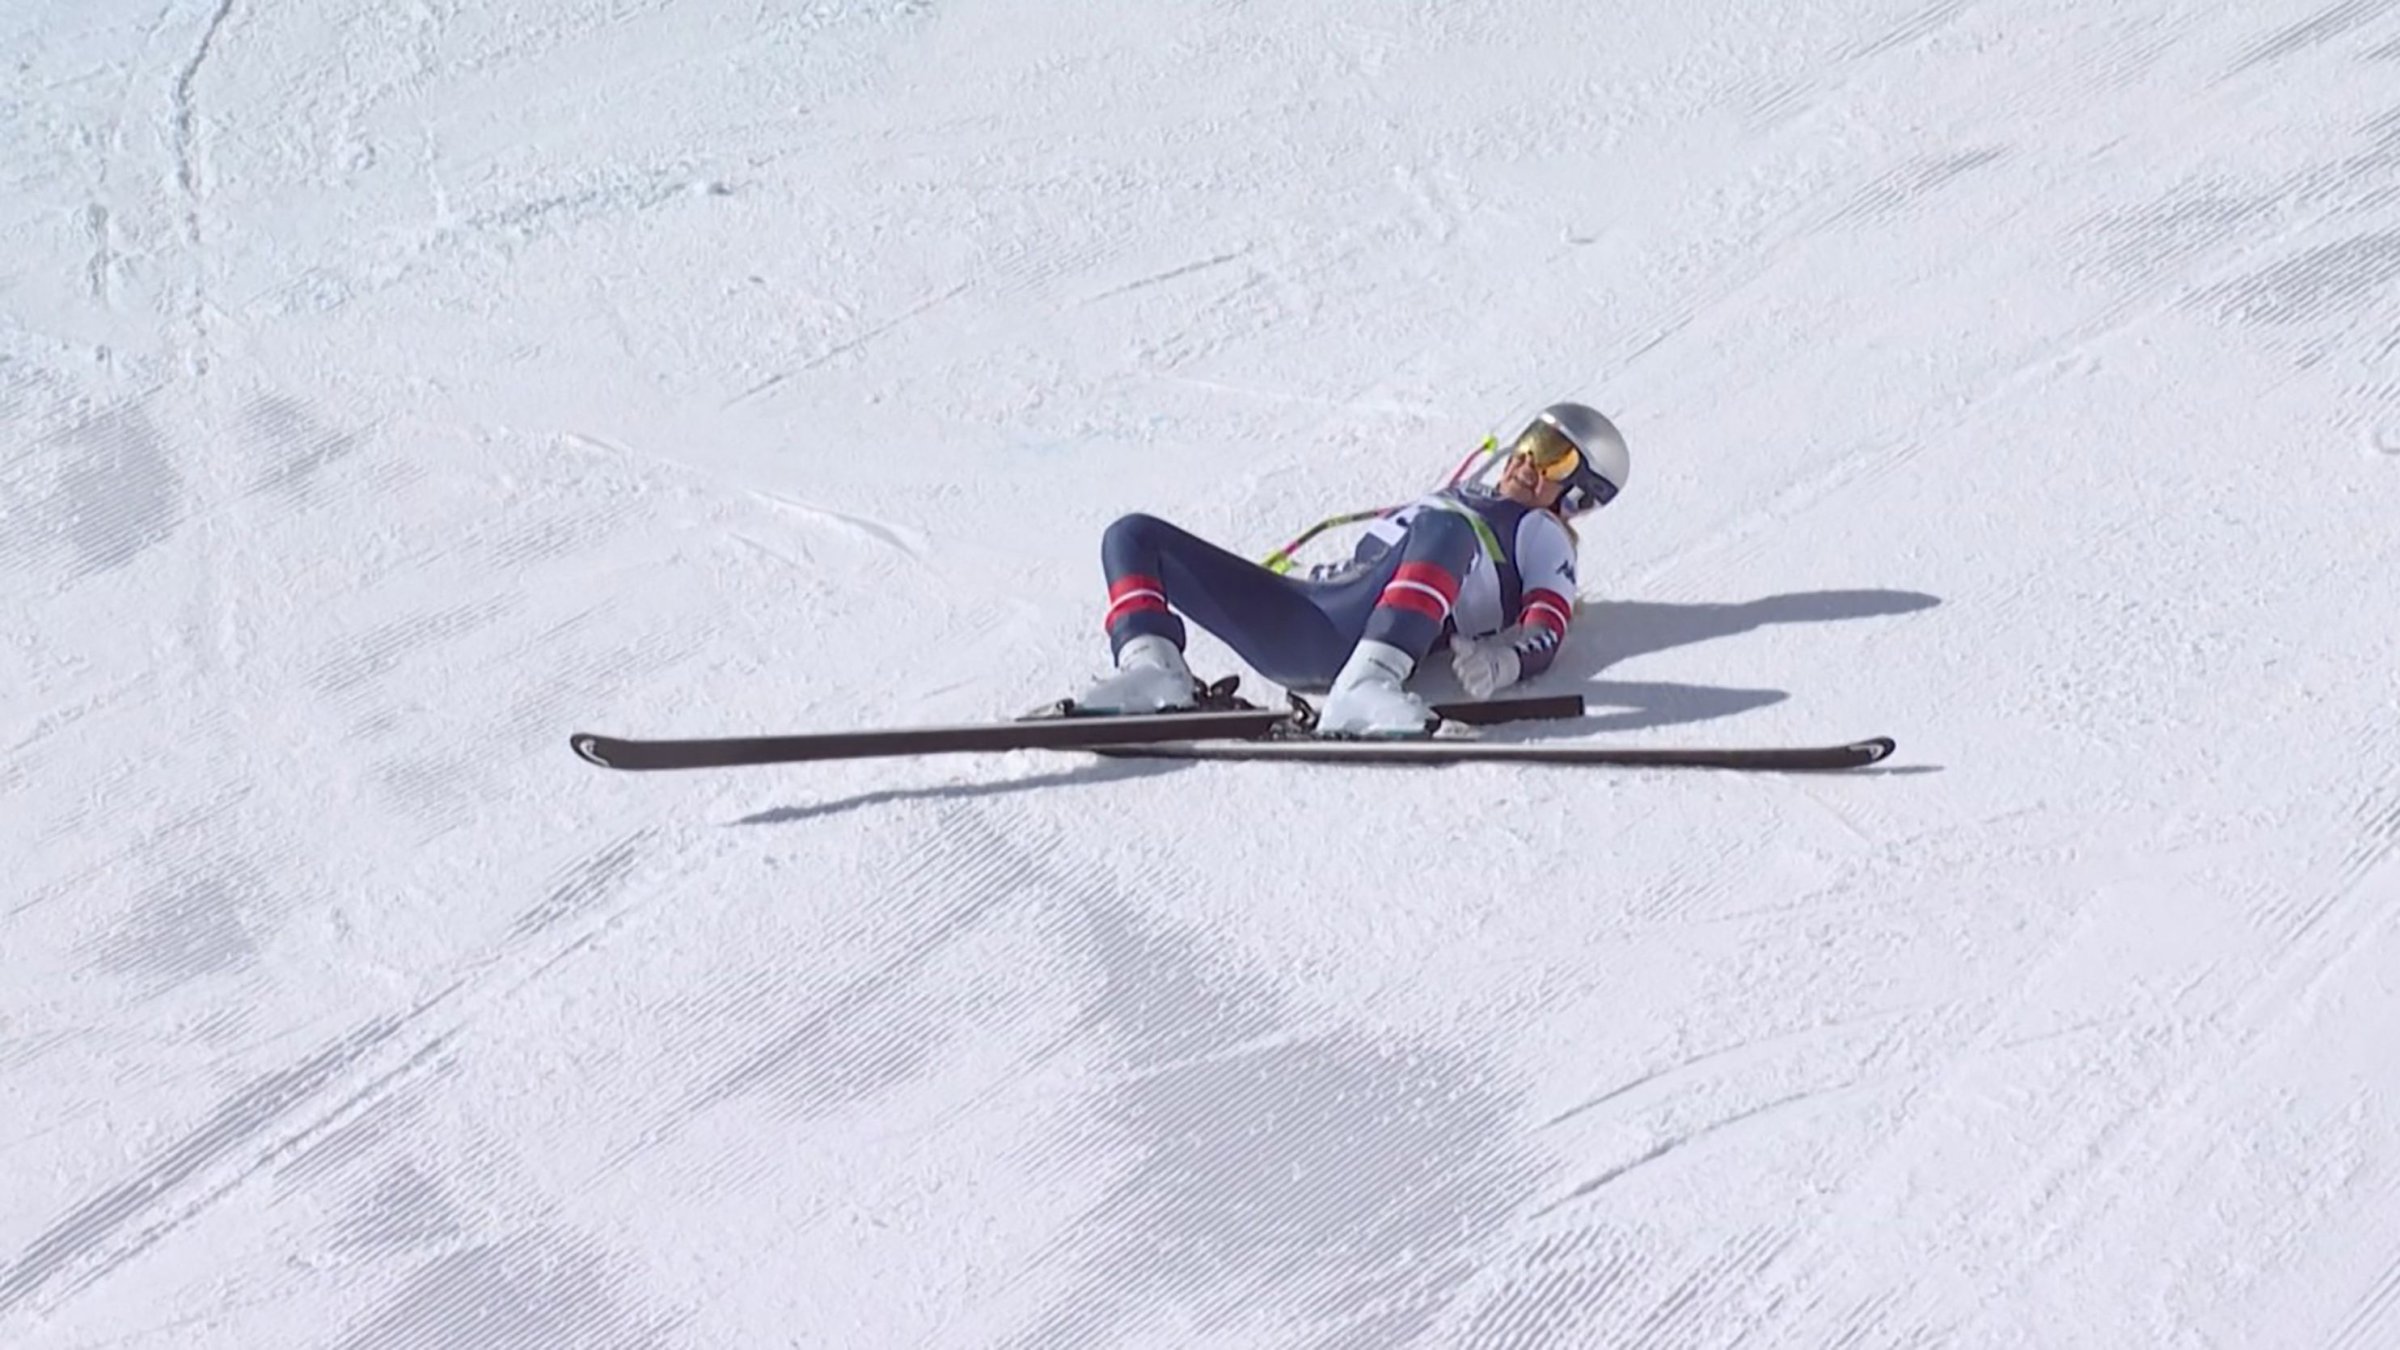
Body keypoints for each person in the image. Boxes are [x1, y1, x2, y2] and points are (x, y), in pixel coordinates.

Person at [1077, 401, 1630, 736]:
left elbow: (1548, 625)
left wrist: (1505, 661)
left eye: (1555, 456)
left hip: (1363, 634)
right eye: (1531, 442)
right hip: (1302, 613)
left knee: (1449, 529)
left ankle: (1368, 684)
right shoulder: (1462, 496)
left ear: (1580, 494)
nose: (1528, 461)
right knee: (1133, 534)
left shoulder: (1540, 533)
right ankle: (1154, 671)